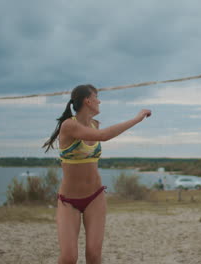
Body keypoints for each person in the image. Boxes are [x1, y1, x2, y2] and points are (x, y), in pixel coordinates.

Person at [42, 84, 151, 264]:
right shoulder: (69, 125)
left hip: (95, 197)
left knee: (93, 255)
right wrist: (137, 118)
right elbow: (103, 136)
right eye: (97, 97)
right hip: (69, 201)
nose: (99, 101)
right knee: (69, 258)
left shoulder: (95, 124)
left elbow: (100, 134)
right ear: (88, 101)